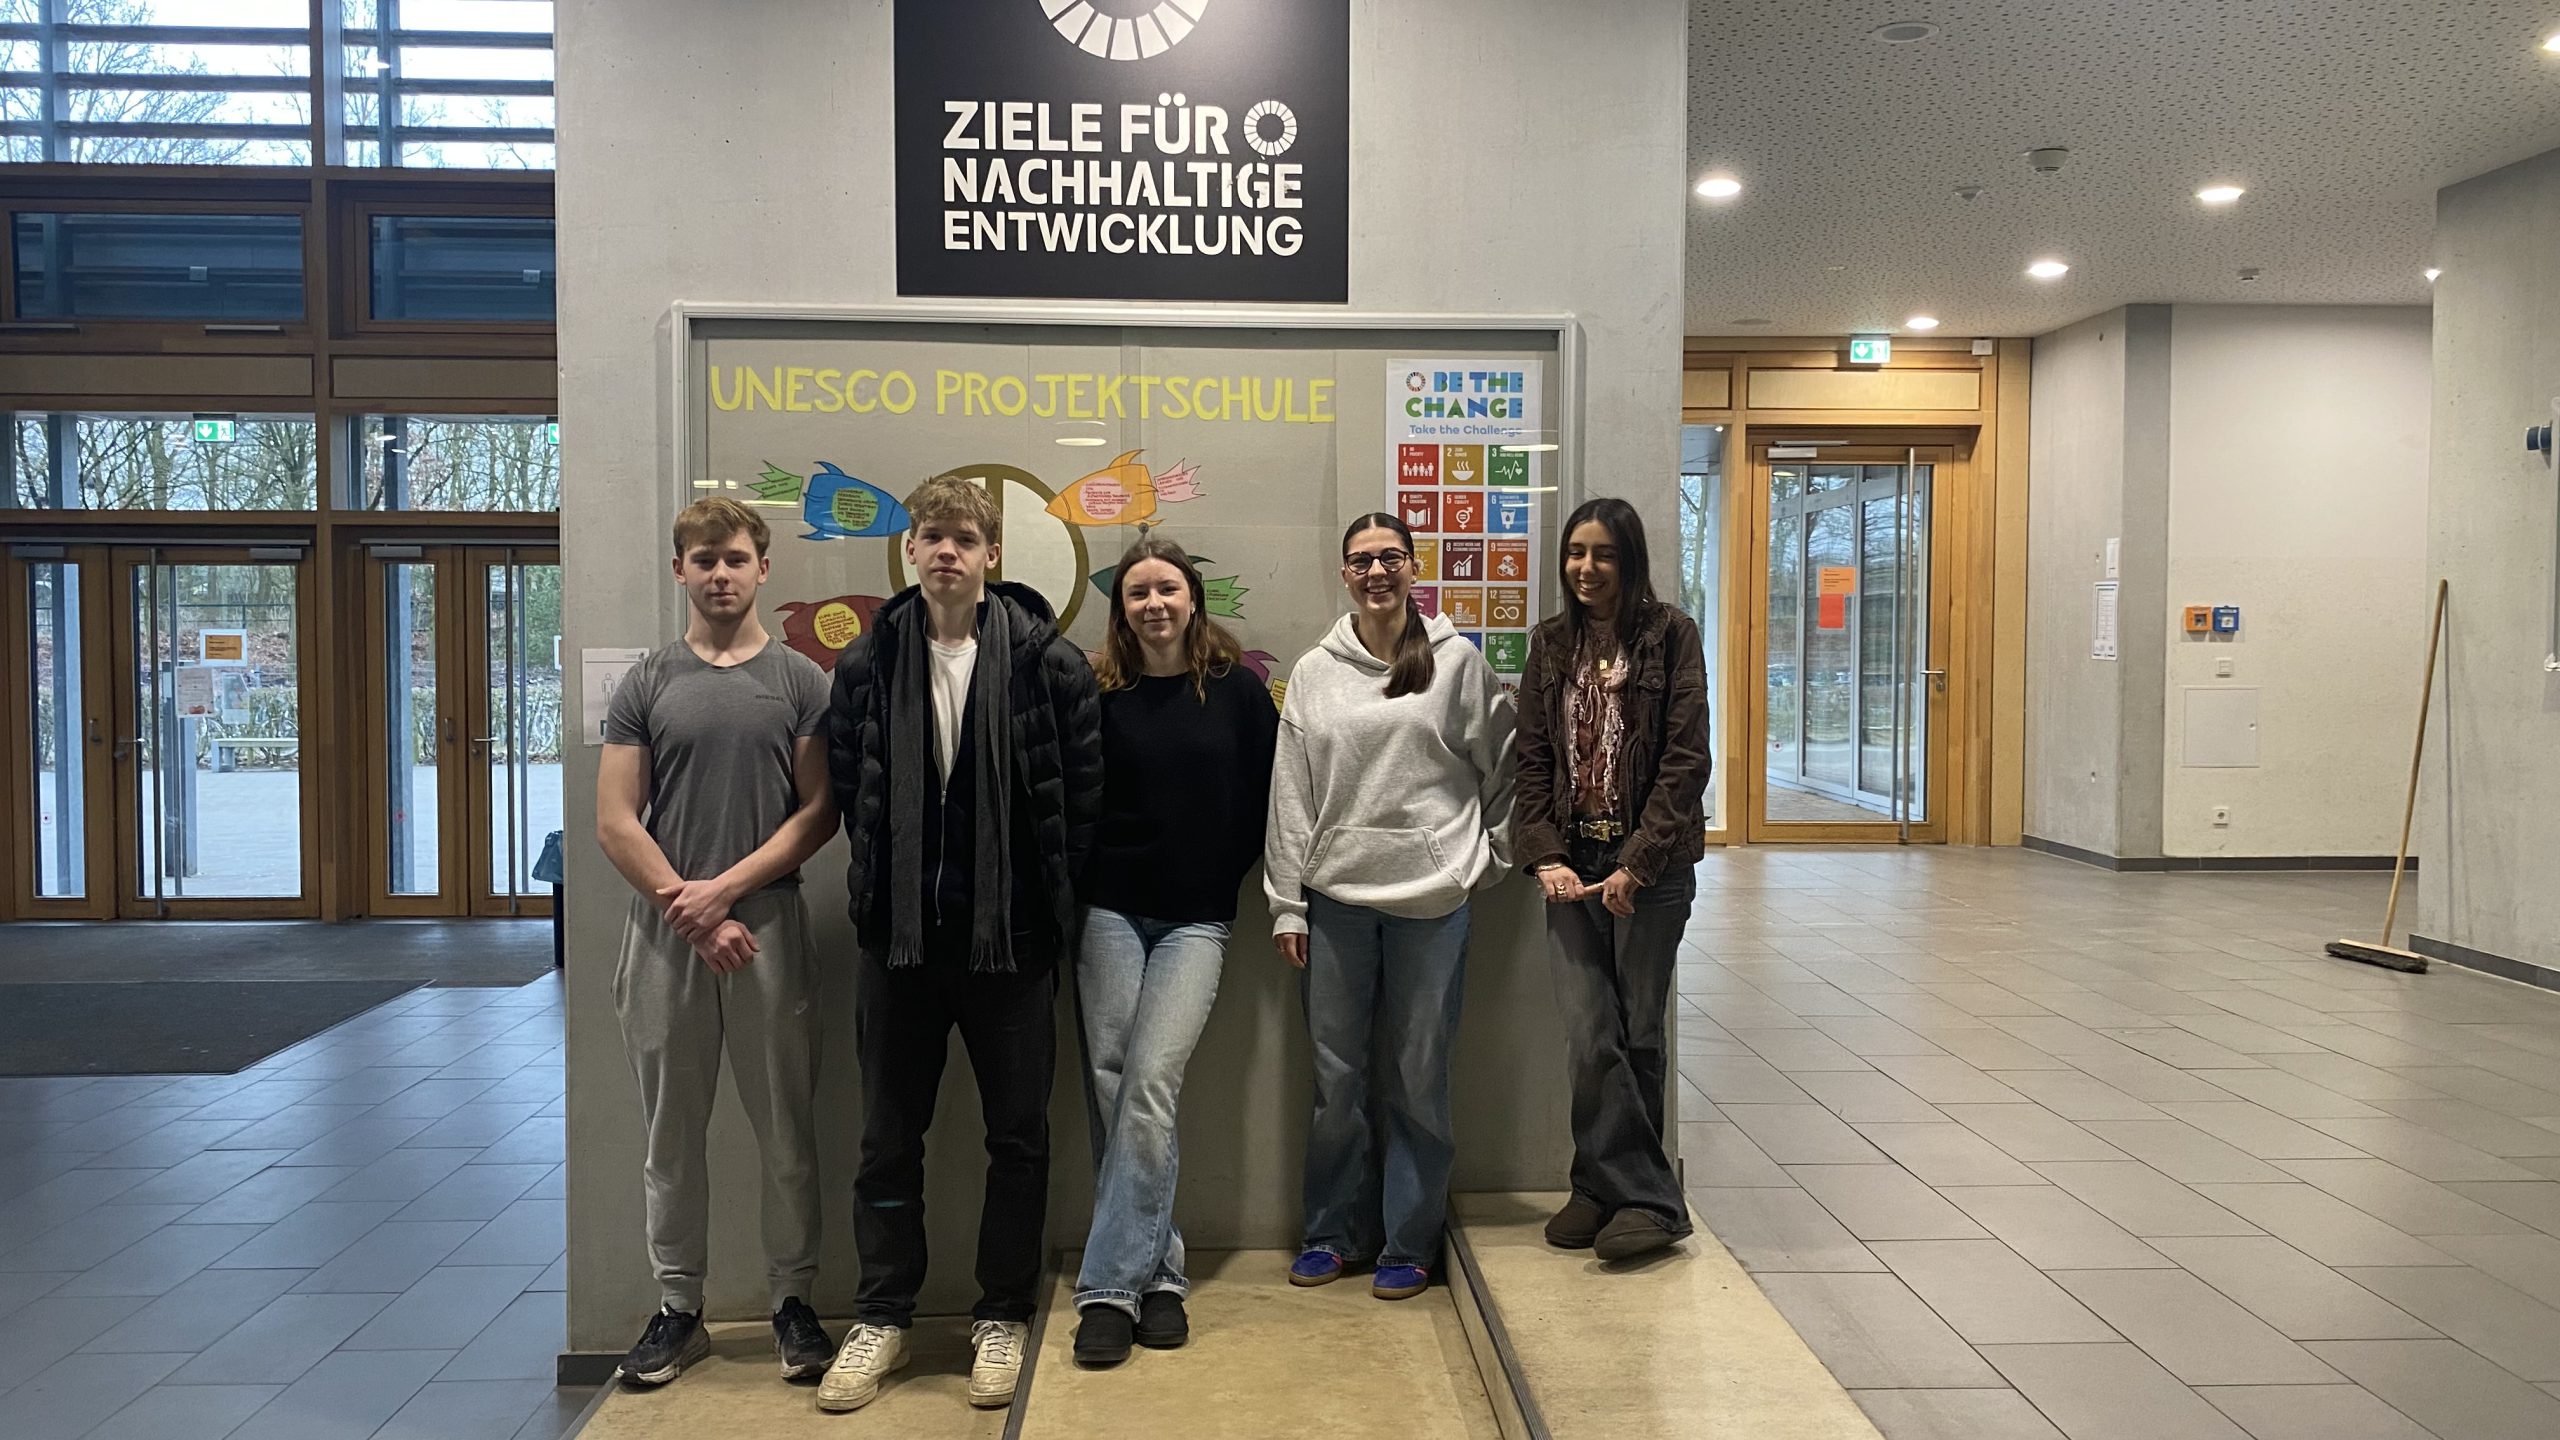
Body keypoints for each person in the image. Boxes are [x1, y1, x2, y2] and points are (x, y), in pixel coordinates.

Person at [818, 475, 1103, 1414]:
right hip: (898, 947)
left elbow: (1079, 806)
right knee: (886, 1141)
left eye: (964, 539)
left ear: (992, 555)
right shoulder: (867, 661)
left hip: (1010, 948)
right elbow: (855, 796)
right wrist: (889, 898)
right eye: (931, 536)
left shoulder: (1049, 664)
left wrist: (1041, 911)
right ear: (910, 550)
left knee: (1018, 1139)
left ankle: (1002, 1314)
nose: (946, 551)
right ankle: (883, 1316)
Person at [595, 496, 840, 1387]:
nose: (721, 574)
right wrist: (690, 908)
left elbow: (819, 812)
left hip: (766, 928)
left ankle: (793, 1302)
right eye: (704, 560)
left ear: (763, 569)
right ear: (680, 571)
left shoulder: (802, 681)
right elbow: (615, 820)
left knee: (786, 1128)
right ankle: (679, 1308)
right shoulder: (646, 683)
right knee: (670, 1132)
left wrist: (726, 893)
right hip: (667, 936)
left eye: (736, 559)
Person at [1265, 511, 1517, 1301]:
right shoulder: (1315, 671)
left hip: (1432, 902)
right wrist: (1287, 903)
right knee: (1336, 1081)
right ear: (1345, 574)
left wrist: (1488, 859)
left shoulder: (1456, 662)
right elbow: (1291, 794)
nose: (1376, 572)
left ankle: (1409, 1241)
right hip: (1336, 900)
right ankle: (1332, 1233)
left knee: (1418, 1075)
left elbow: (1506, 765)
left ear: (1413, 567)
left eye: (1390, 557)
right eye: (1361, 561)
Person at [1071, 535, 1279, 1367]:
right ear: (1121, 610)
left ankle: (1106, 1288)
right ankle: (1157, 1278)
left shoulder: (1239, 692)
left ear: (1194, 598)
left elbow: (1270, 800)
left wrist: (1221, 875)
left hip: (1197, 919)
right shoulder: (1098, 693)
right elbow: (1075, 799)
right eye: (1137, 593)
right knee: (1111, 1082)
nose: (1153, 604)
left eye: (1167, 589)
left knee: (1150, 1081)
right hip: (1110, 912)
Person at [1513, 497, 1711, 1262]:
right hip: (1573, 867)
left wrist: (1639, 861)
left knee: (1638, 1032)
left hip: (1650, 871)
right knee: (1589, 1031)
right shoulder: (1550, 643)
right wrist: (1545, 854)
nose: (1585, 568)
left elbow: (1686, 759)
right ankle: (1624, 1192)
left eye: (1602, 554)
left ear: (1629, 561)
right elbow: (1532, 761)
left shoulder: (1672, 635)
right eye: (1575, 552)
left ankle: (1619, 1195)